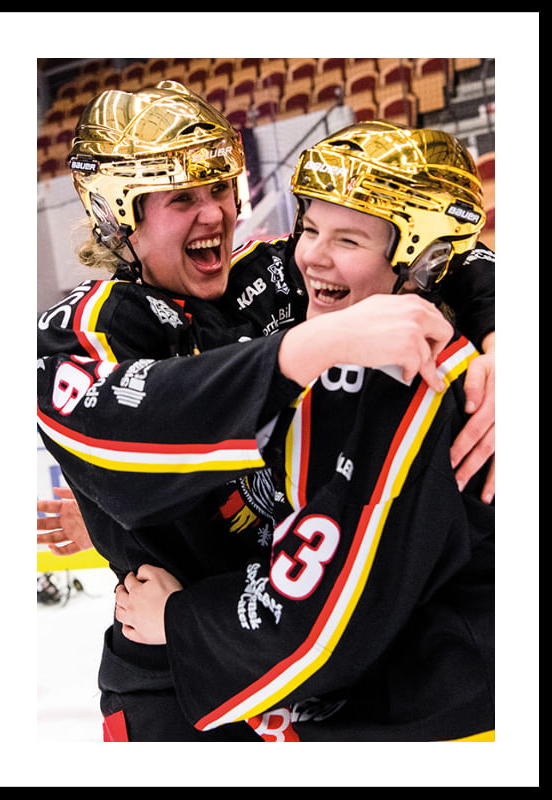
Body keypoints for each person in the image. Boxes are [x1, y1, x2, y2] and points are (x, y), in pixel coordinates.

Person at [37, 82, 494, 740]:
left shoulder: (262, 274)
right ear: (118, 215)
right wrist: (306, 348)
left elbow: (433, 248)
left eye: (222, 186)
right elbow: (141, 422)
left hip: (303, 634)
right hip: (180, 665)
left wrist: (503, 335)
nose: (216, 214)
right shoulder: (78, 334)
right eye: (183, 198)